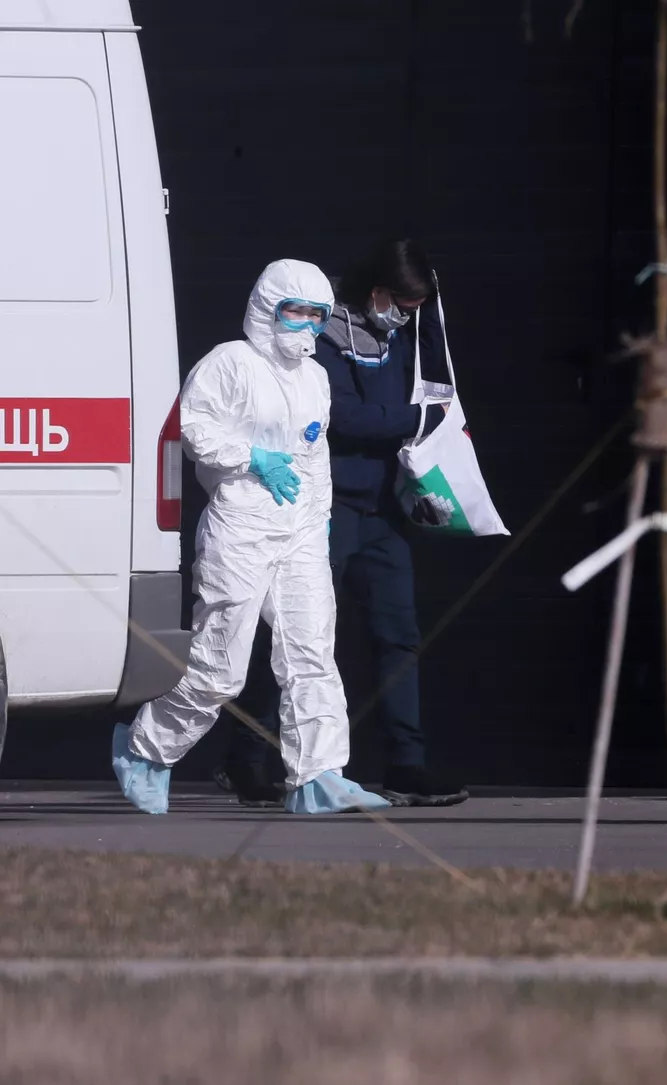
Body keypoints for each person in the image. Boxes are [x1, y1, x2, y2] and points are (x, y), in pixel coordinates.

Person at [112, 259, 391, 816]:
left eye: (317, 315)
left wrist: (320, 515)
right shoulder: (230, 362)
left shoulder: (315, 378)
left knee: (312, 653)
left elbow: (314, 454)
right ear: (267, 308)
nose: (306, 325)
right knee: (221, 668)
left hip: (299, 529)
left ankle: (319, 776)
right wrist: (250, 457)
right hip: (239, 527)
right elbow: (193, 427)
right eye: (295, 311)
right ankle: (146, 750)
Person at [216, 239, 469, 808]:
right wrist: (418, 418)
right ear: (376, 289)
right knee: (298, 637)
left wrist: (428, 324)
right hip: (325, 509)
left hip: (381, 510)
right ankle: (245, 756)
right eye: (400, 304)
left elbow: (428, 383)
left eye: (415, 308)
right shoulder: (322, 338)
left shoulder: (401, 337)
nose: (404, 316)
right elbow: (344, 418)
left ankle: (406, 764)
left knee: (398, 636)